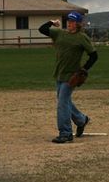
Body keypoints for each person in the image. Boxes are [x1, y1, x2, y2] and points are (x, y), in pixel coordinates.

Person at [39, 11, 98, 143]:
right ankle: (82, 120)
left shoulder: (81, 37)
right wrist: (52, 22)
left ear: (78, 24)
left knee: (62, 103)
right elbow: (42, 29)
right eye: (69, 21)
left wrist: (84, 69)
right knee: (64, 102)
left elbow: (94, 56)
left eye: (72, 21)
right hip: (59, 73)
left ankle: (65, 133)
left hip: (71, 76)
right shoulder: (60, 33)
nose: (70, 23)